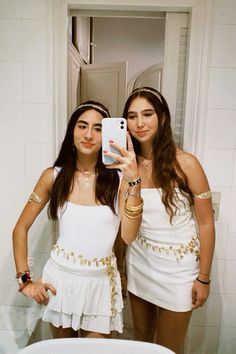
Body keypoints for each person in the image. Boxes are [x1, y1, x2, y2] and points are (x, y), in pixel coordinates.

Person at [12, 100, 143, 339]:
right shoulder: (53, 177)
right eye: (82, 126)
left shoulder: (120, 179)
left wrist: (135, 181)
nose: (89, 134)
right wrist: (25, 281)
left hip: (101, 285)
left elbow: (128, 236)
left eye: (98, 128)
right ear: (72, 131)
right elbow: (20, 228)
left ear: (107, 136)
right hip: (60, 282)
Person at [121, 87, 215, 354]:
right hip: (140, 262)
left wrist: (204, 278)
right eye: (132, 116)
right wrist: (122, 270)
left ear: (162, 118)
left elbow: (206, 223)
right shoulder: (127, 165)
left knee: (169, 348)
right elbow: (124, 228)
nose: (139, 123)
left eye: (147, 114)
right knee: (141, 341)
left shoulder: (187, 163)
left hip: (179, 272)